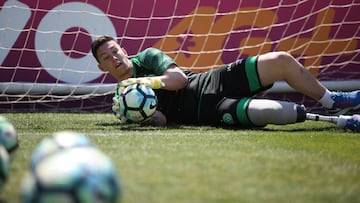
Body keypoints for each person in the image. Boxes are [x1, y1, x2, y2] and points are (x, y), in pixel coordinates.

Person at [91, 35, 360, 132]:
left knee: (281, 60)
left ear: (124, 50)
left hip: (212, 80)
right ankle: (339, 121)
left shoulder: (148, 57)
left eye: (115, 51)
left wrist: (143, 81)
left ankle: (332, 100)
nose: (114, 58)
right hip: (208, 113)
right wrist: (134, 117)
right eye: (106, 57)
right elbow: (160, 120)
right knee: (272, 112)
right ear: (101, 67)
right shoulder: (122, 97)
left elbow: (180, 79)